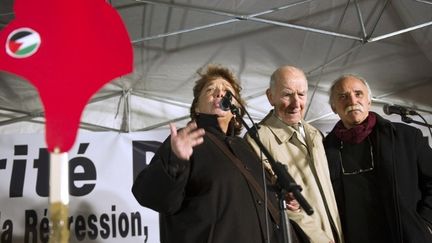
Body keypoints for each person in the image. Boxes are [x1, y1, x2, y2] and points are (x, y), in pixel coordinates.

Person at [132, 64, 308, 243]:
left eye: (227, 91)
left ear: (236, 107)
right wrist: (175, 161)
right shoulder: (185, 142)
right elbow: (149, 196)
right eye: (210, 90)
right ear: (197, 108)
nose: (219, 93)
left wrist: (283, 198)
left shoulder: (245, 146)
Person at [324, 74, 432, 243]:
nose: (352, 101)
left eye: (358, 94)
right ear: (333, 107)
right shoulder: (323, 150)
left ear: (369, 101)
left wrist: (425, 225)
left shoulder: (406, 137)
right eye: (343, 96)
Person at [246, 65, 343, 243]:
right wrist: (320, 239)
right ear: (270, 97)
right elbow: (278, 204)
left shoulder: (315, 134)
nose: (296, 103)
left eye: (301, 94)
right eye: (287, 94)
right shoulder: (257, 139)